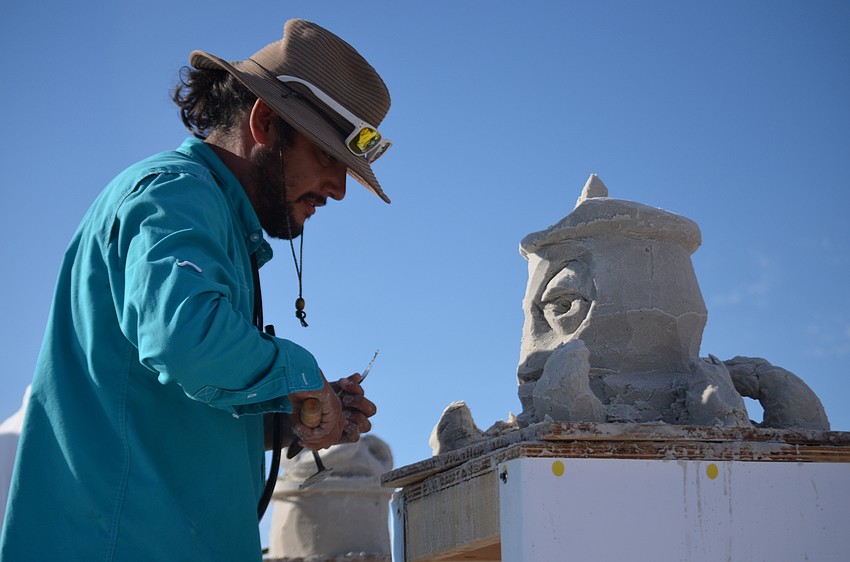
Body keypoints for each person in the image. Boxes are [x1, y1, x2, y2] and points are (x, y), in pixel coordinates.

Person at [0, 18, 389, 561]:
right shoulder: (177, 195)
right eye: (328, 156)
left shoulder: (212, 216)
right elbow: (185, 337)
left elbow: (175, 413)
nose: (340, 189)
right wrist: (300, 376)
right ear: (265, 122)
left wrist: (297, 418)